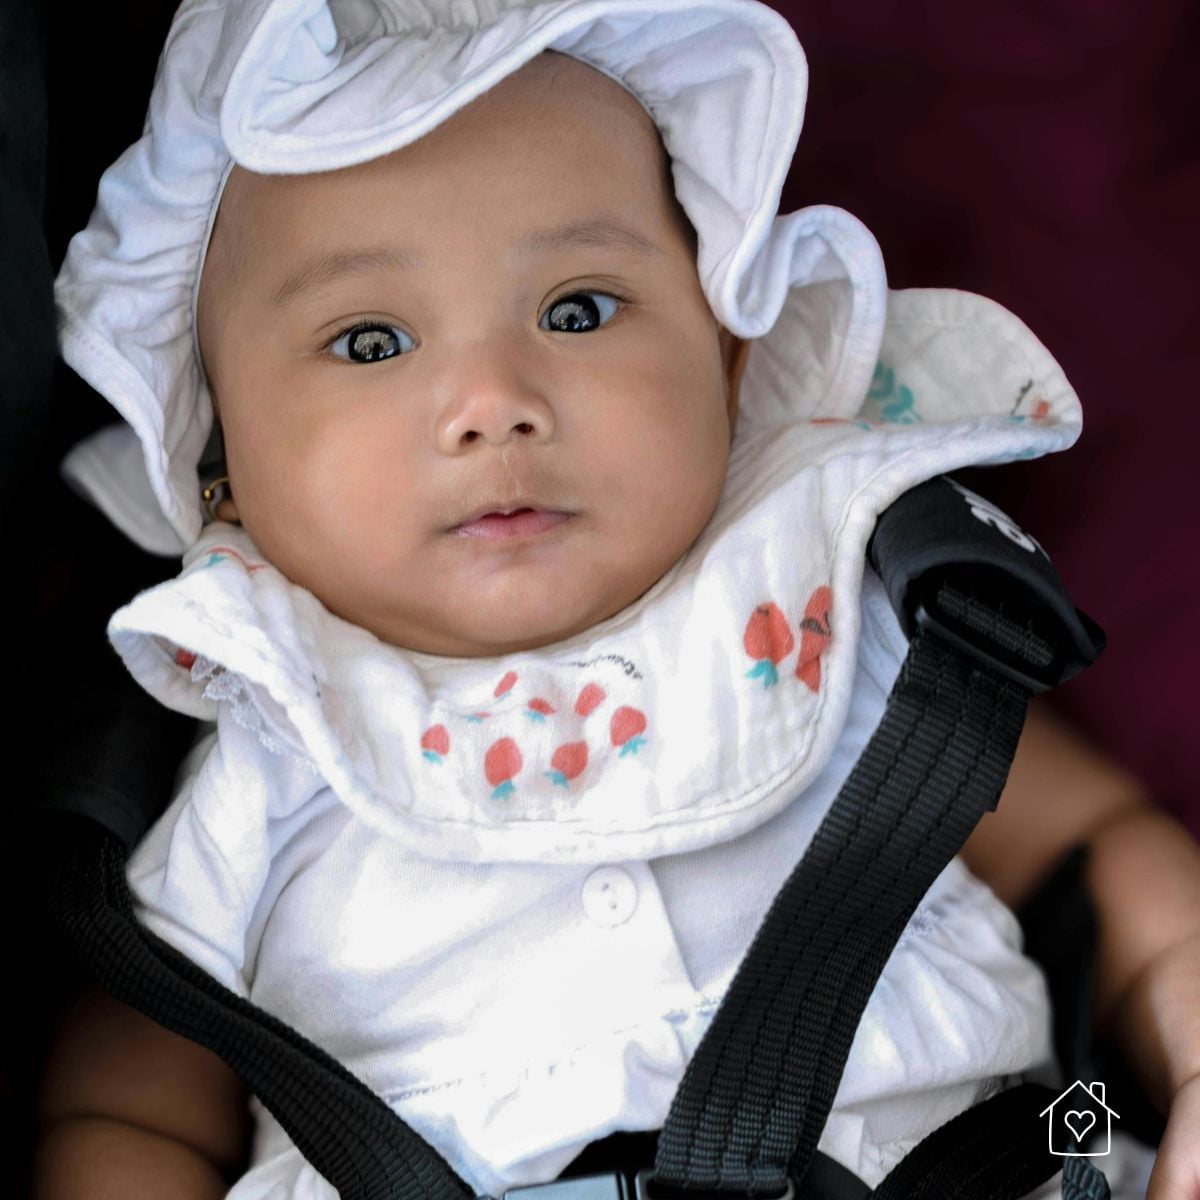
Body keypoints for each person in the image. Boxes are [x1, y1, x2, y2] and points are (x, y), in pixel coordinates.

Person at [29, 1, 1200, 1197]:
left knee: (1085, 1113)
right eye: (371, 340)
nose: (492, 400)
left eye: (578, 311)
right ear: (221, 451)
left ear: (730, 360)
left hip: (993, 1159)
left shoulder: (836, 615)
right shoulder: (261, 753)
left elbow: (1099, 850)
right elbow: (132, 1111)